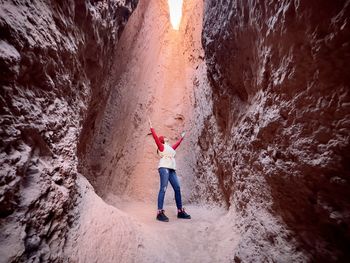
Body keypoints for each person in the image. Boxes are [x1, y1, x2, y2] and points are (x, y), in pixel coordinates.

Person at [148, 117, 191, 222]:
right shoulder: (161, 146)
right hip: (164, 168)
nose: (167, 137)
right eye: (165, 137)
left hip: (171, 169)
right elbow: (155, 138)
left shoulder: (169, 148)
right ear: (163, 140)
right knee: (163, 188)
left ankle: (180, 211)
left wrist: (181, 138)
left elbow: (176, 146)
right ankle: (159, 212)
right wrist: (151, 128)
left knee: (177, 188)